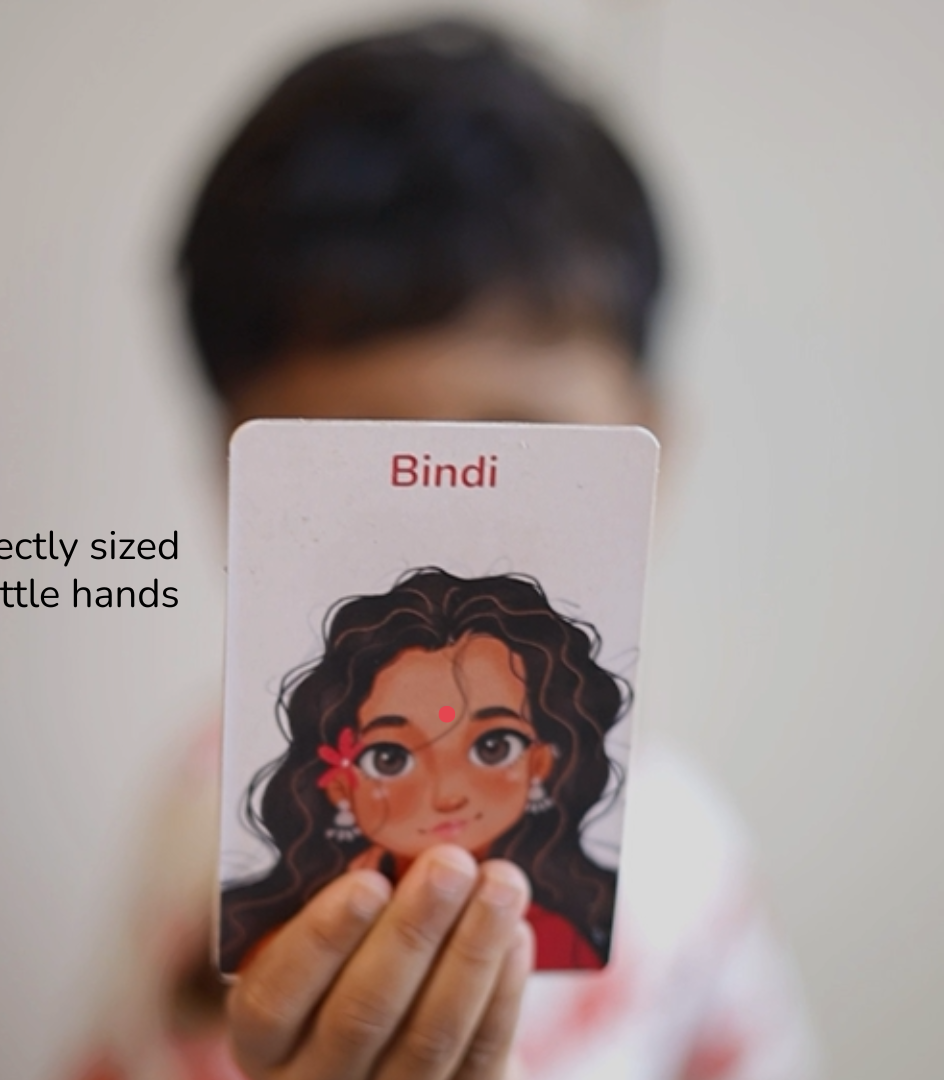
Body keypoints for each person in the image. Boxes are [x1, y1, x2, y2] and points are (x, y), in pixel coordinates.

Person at [66, 19, 819, 1080]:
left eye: (521, 450)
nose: (446, 556)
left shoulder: (694, 857)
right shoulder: (202, 819)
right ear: (235, 484)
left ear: (653, 461)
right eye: (360, 465)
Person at [221, 568, 628, 974]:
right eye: (390, 758)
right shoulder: (284, 942)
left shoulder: (558, 939)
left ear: (539, 763)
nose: (447, 795)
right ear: (341, 786)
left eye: (493, 747)